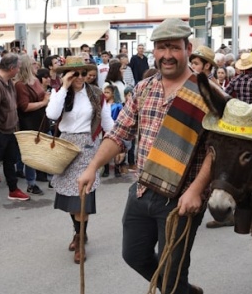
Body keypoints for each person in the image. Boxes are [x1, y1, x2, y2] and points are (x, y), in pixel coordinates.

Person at [77, 18, 212, 294]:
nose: (167, 55)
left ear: (188, 48)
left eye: (174, 47)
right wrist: (92, 166)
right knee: (134, 255)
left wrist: (197, 190)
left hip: (181, 200)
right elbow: (118, 134)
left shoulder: (209, 94)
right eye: (161, 48)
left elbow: (218, 151)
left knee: (172, 273)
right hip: (142, 191)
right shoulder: (143, 89)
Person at [45, 56, 113, 264]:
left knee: (82, 196)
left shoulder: (96, 94)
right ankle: (78, 232)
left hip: (88, 146)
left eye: (83, 73)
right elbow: (51, 114)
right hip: (66, 147)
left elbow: (107, 120)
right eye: (75, 73)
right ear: (67, 74)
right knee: (70, 197)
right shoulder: (60, 93)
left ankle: (80, 240)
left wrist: (116, 144)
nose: (80, 77)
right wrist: (64, 86)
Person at [0, 54, 31, 210]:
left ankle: (13, 189)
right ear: (11, 68)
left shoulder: (8, 82)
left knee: (10, 162)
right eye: (18, 68)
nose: (19, 70)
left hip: (9, 130)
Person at [15, 55, 50, 196]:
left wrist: (45, 98)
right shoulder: (20, 84)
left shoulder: (35, 80)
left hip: (40, 120)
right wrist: (44, 102)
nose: (37, 65)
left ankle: (37, 178)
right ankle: (31, 183)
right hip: (29, 122)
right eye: (33, 63)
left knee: (40, 151)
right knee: (31, 154)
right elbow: (24, 106)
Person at [101, 85, 123, 178]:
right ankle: (106, 168)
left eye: (107, 92)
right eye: (104, 92)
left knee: (116, 148)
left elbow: (121, 117)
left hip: (115, 128)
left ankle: (117, 168)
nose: (105, 94)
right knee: (105, 148)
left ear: (113, 94)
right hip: (105, 129)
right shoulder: (103, 104)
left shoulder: (118, 105)